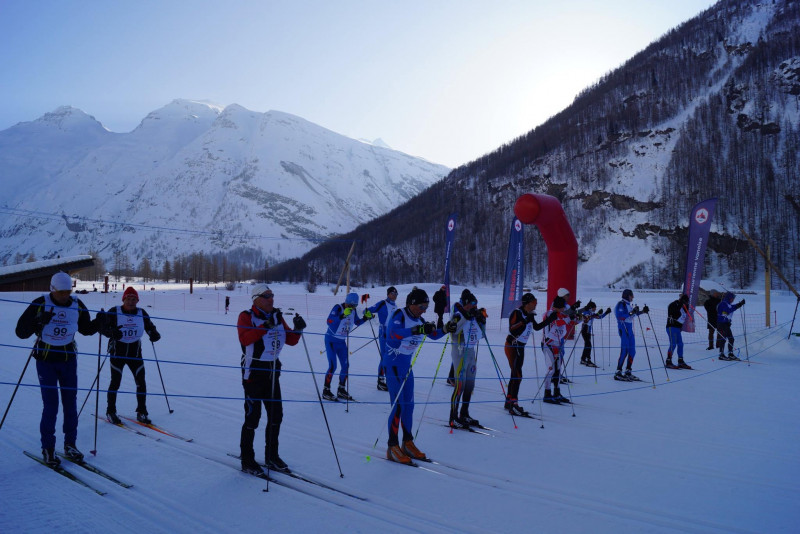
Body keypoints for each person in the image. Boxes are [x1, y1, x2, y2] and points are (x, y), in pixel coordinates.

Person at [15, 272, 97, 466]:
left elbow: (86, 329)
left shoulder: (77, 304)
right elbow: (20, 332)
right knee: (51, 405)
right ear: (52, 289)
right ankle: (48, 448)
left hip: (69, 360)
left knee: (70, 404)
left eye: (68, 291)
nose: (64, 295)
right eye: (61, 292)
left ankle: (70, 444)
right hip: (46, 360)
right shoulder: (40, 303)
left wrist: (102, 324)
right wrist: (38, 322)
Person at [237, 284, 306, 475]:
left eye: (272, 295)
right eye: (267, 296)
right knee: (253, 417)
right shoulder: (246, 316)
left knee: (276, 415)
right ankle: (247, 459)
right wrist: (264, 327)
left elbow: (290, 340)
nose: (271, 299)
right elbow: (245, 339)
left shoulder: (277, 316)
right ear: (256, 299)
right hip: (254, 372)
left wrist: (298, 329)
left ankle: (271, 455)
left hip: (273, 371)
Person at [384, 288, 447, 464]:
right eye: (421, 306)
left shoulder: (419, 319)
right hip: (393, 365)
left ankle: (407, 442)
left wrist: (447, 328)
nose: (424, 310)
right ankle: (392, 446)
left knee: (409, 406)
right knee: (397, 406)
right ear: (411, 304)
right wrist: (417, 329)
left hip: (406, 368)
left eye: (426, 306)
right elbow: (393, 335)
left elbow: (433, 335)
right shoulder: (400, 315)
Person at [96, 286, 161, 425]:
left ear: (137, 300)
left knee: (141, 382)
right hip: (117, 352)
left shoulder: (141, 312)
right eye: (128, 299)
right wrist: (111, 332)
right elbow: (102, 328)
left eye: (134, 299)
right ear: (123, 299)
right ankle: (111, 411)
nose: (131, 302)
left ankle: (141, 411)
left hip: (135, 353)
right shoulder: (114, 311)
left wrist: (154, 334)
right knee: (115, 382)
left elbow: (149, 326)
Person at [503, 293, 556, 415]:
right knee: (517, 374)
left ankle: (509, 401)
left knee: (515, 374)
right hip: (512, 345)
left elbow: (536, 327)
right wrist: (524, 321)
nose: (536, 303)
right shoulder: (517, 313)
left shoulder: (529, 314)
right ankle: (514, 404)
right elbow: (512, 329)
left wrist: (550, 319)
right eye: (534, 301)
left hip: (520, 346)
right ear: (527, 303)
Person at [322, 292, 373, 401]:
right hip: (331, 340)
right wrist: (341, 316)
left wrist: (366, 318)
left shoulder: (353, 311)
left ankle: (341, 389)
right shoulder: (338, 307)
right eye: (350, 306)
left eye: (354, 306)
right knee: (333, 366)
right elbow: (329, 321)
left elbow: (357, 322)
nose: (352, 308)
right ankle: (326, 390)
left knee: (346, 366)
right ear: (346, 302)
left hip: (341, 342)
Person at [447, 290, 486, 428]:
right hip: (459, 351)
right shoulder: (458, 314)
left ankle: (464, 413)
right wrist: (466, 316)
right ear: (466, 303)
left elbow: (481, 335)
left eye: (476, 304)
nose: (474, 306)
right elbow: (453, 330)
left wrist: (482, 321)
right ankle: (453, 417)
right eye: (472, 304)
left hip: (470, 352)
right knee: (460, 384)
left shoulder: (472, 315)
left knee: (470, 384)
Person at [541, 297, 574, 404]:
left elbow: (570, 321)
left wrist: (580, 317)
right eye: (561, 308)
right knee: (551, 370)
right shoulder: (549, 314)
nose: (562, 310)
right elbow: (558, 322)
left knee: (558, 369)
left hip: (557, 344)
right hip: (548, 344)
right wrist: (569, 318)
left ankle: (557, 393)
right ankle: (547, 394)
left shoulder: (561, 314)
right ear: (556, 307)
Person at [367, 286, 399, 391]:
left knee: (391, 356)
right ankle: (380, 381)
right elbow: (368, 310)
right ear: (388, 294)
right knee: (384, 356)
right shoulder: (382, 303)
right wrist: (368, 314)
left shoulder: (395, 306)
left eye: (396, 294)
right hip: (383, 332)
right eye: (392, 294)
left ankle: (388, 379)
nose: (394, 296)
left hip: (392, 333)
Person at [614, 289, 649, 381]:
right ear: (627, 295)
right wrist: (632, 312)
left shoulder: (629, 305)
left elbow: (632, 314)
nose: (633, 297)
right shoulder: (621, 304)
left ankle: (628, 371)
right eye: (631, 295)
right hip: (623, 328)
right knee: (624, 351)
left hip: (629, 330)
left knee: (632, 351)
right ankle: (618, 372)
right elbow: (620, 316)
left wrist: (642, 311)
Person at [665, 294, 692, 369]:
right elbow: (674, 314)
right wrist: (680, 305)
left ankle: (680, 361)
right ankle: (668, 361)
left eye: (687, 302)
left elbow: (684, 316)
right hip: (671, 326)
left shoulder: (684, 306)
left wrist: (686, 306)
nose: (686, 303)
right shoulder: (673, 304)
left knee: (680, 344)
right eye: (685, 302)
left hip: (677, 328)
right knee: (673, 344)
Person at [579, 301, 609, 368]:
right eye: (594, 308)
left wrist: (606, 312)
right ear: (590, 308)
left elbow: (598, 317)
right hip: (585, 329)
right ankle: (588, 360)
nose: (595, 309)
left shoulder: (591, 312)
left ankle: (583, 359)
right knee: (588, 345)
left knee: (587, 345)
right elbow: (587, 318)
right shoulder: (586, 312)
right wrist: (597, 313)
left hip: (588, 331)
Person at [716, 292, 745, 361]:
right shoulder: (723, 303)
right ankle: (721, 354)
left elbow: (731, 308)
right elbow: (728, 310)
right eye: (732, 298)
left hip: (726, 324)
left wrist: (739, 304)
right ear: (729, 298)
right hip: (721, 323)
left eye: (733, 298)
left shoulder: (728, 304)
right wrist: (738, 305)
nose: (733, 300)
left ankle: (730, 353)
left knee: (731, 339)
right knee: (723, 339)